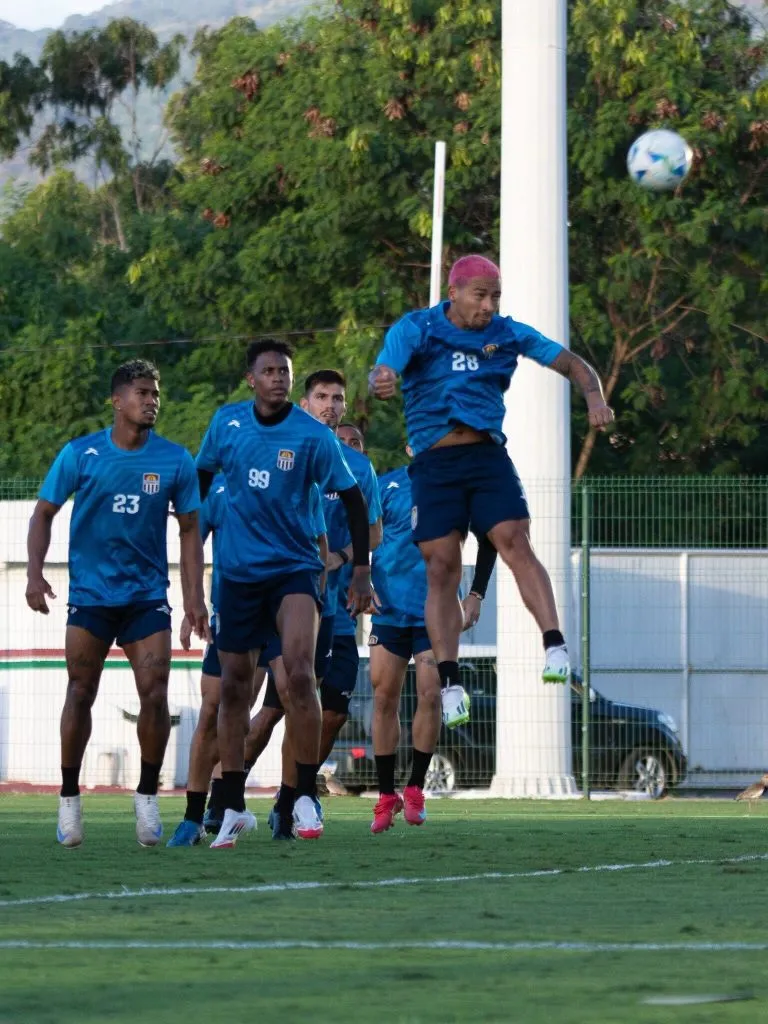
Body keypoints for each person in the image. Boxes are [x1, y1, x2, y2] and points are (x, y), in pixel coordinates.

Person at [370, 255, 614, 727]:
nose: (488, 305)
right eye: (480, 295)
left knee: (515, 541)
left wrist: (594, 396)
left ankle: (556, 646)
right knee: (441, 566)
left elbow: (574, 364)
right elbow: (386, 368)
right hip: (435, 463)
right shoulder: (417, 328)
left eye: (495, 296)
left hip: (486, 457)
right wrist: (381, 378)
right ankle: (449, 681)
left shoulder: (508, 333)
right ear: (454, 292)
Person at [196, 339, 373, 848]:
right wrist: (195, 554)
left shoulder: (312, 437)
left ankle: (301, 792)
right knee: (233, 688)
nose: (277, 377)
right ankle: (229, 803)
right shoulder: (226, 425)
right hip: (236, 576)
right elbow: (201, 483)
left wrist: (360, 570)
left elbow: (355, 502)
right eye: (268, 370)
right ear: (251, 379)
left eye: (284, 371)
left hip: (295, 570)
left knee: (299, 675)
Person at [26, 359, 209, 848]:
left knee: (155, 692)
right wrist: (34, 572)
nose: (152, 400)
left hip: (147, 597)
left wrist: (195, 600)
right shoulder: (80, 454)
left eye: (156, 392)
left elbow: (191, 530)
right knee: (79, 692)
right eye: (143, 393)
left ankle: (147, 796)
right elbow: (43, 513)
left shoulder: (175, 460)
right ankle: (69, 800)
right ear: (118, 400)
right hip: (90, 596)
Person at [243, 375, 382, 840]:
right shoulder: (286, 451)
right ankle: (227, 793)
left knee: (330, 711)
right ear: (304, 404)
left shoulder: (360, 471)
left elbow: (373, 531)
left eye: (337, 398)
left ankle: (294, 797)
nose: (329, 405)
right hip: (282, 605)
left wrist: (348, 564)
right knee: (269, 709)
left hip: (336, 614)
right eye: (320, 397)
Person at [368, 458, 496, 833]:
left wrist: (476, 594)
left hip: (436, 614)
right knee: (382, 698)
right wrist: (359, 580)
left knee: (431, 695)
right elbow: (357, 533)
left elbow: (488, 537)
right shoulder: (386, 486)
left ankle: (415, 788)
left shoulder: (456, 489)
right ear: (411, 444)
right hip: (389, 611)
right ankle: (386, 793)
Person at [166, 476, 268, 846]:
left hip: (285, 612)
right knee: (214, 708)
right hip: (232, 613)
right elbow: (192, 543)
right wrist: (192, 604)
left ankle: (287, 800)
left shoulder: (298, 470)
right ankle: (194, 816)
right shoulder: (218, 489)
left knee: (256, 708)